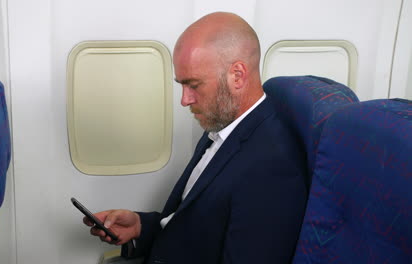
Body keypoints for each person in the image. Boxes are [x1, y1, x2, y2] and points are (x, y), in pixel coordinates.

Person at [83, 12, 308, 263]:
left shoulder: (273, 169)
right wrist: (140, 227)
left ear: (237, 75)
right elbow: (193, 224)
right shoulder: (221, 127)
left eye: (194, 85)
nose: (184, 99)